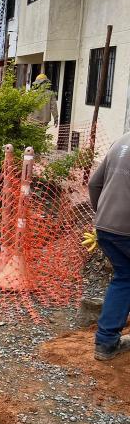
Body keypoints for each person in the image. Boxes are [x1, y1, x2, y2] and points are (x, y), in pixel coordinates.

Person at [88, 133, 130, 361]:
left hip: (106, 226)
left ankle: (106, 343)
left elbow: (94, 183)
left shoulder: (122, 141)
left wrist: (103, 215)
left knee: (125, 277)